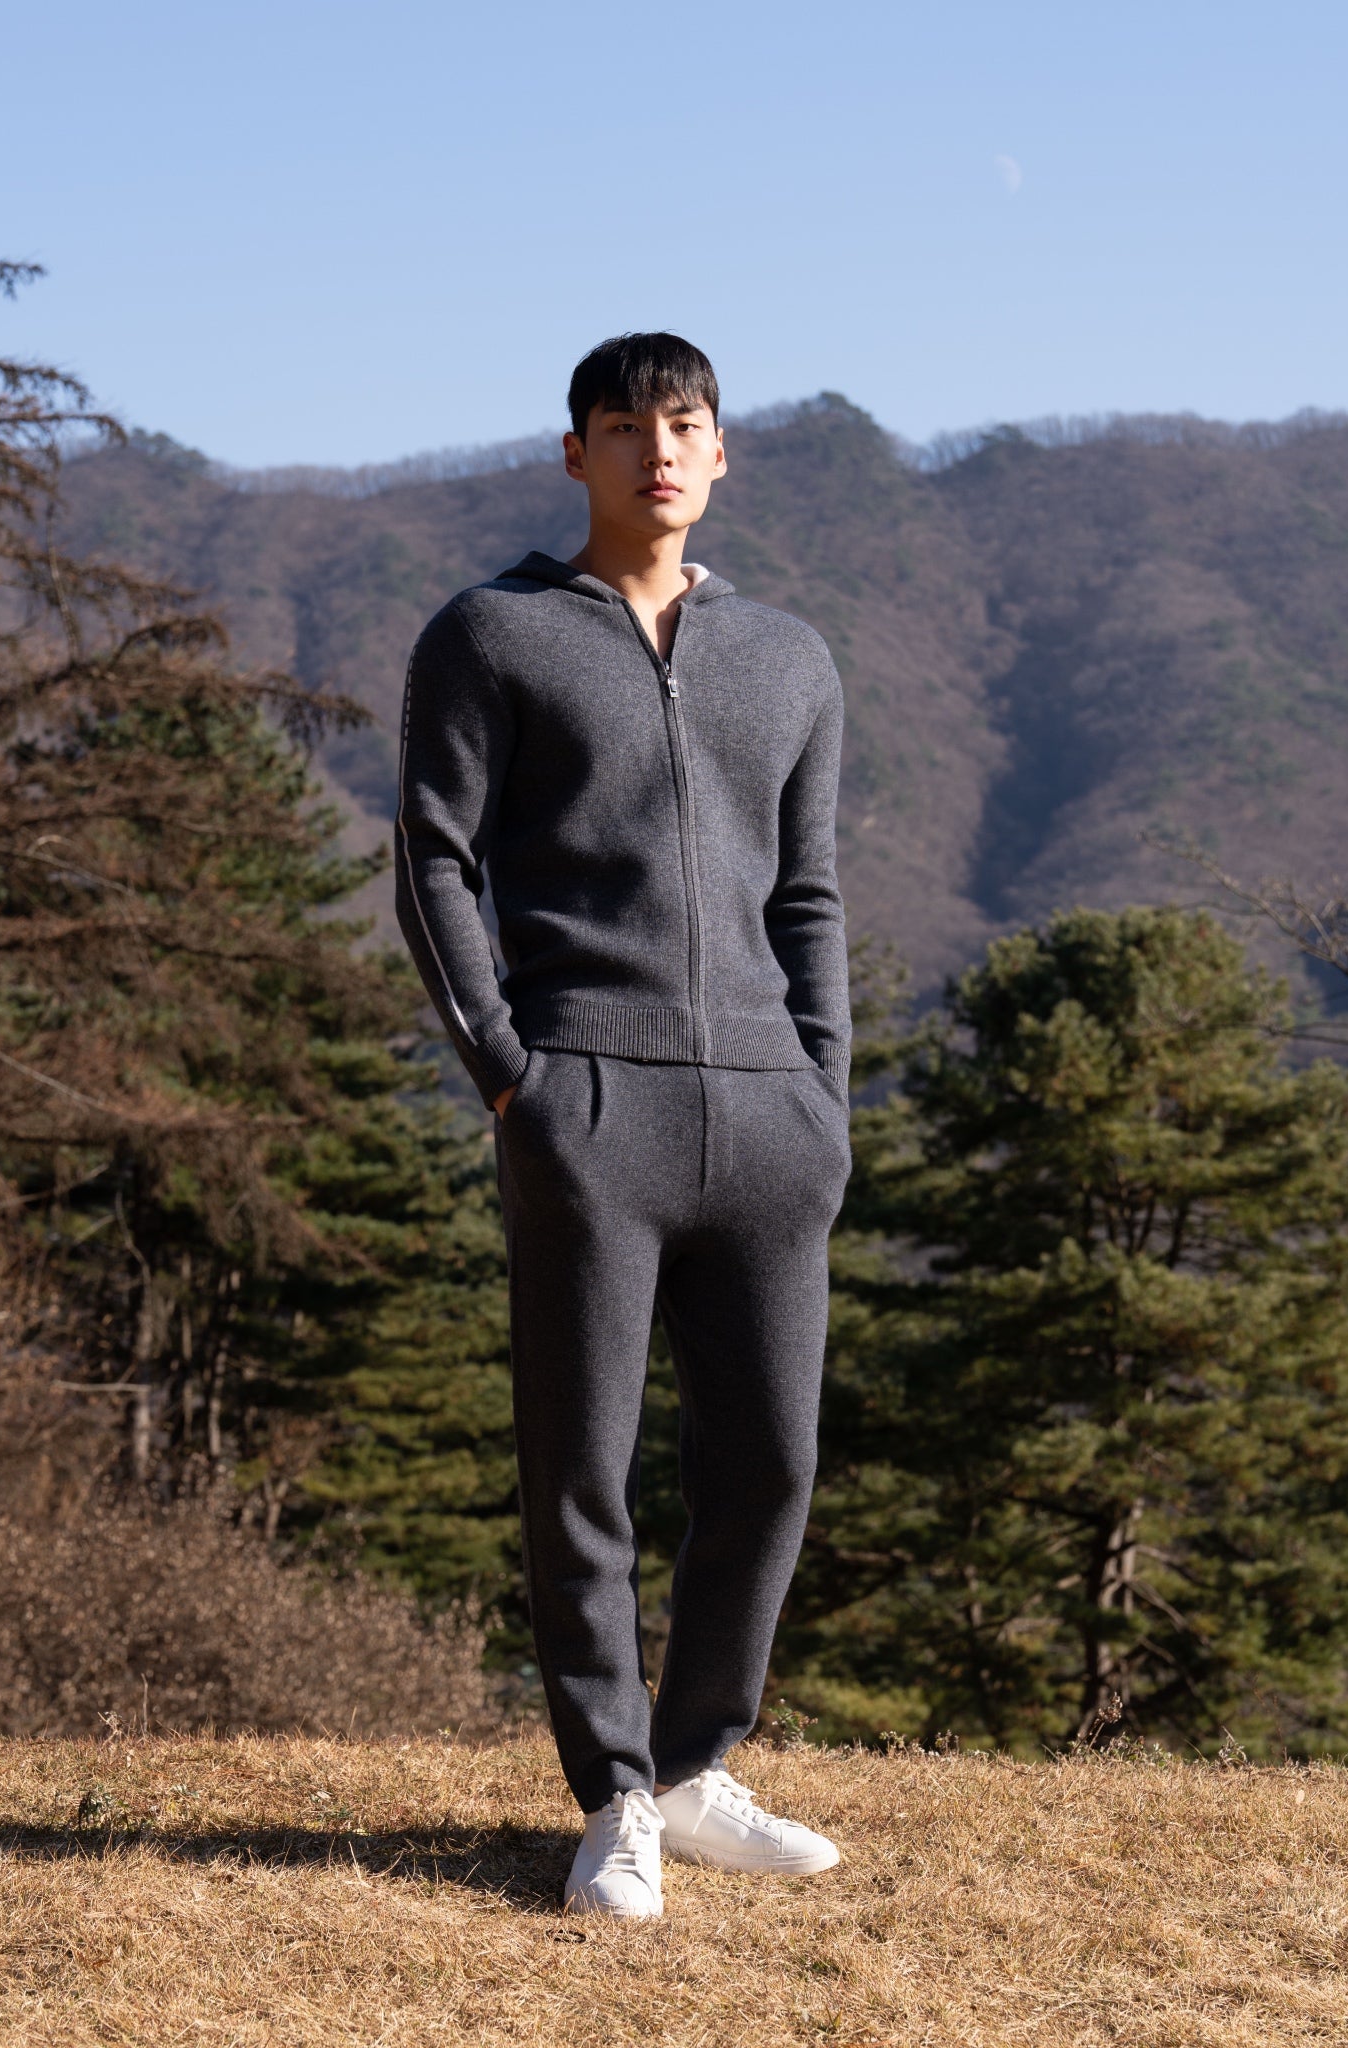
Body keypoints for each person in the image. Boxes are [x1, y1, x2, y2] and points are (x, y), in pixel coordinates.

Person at [395, 333, 852, 1917]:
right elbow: (434, 858)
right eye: (624, 424)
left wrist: (825, 1094)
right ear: (574, 453)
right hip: (589, 1097)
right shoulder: (491, 635)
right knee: (584, 1473)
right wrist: (510, 1076)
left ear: (720, 452)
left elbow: (809, 894)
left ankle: (698, 1762)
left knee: (772, 1463)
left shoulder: (790, 659)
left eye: (685, 424)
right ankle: (613, 1798)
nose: (658, 449)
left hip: (771, 1118)